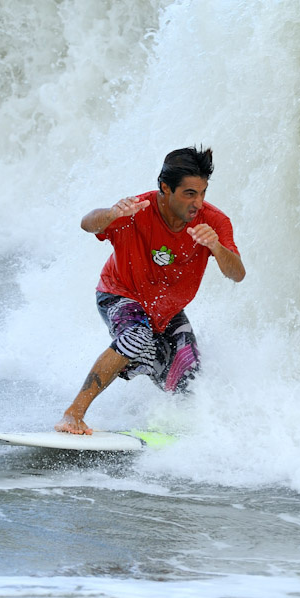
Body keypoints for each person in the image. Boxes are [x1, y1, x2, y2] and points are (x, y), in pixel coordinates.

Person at [55, 146, 245, 435]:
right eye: (189, 193)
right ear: (165, 188)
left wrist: (216, 248)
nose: (198, 203)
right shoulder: (137, 210)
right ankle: (73, 415)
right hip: (119, 294)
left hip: (166, 311)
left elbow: (237, 274)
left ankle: (179, 429)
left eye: (202, 193)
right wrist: (110, 213)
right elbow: (87, 223)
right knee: (136, 337)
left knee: (189, 378)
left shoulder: (213, 222)